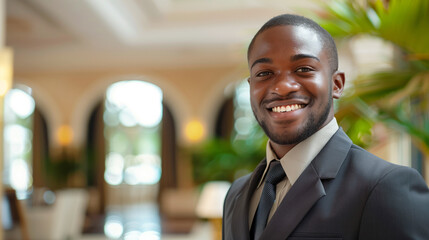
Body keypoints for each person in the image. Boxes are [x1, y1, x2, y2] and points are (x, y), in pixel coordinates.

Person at [222, 14, 429, 240]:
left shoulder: (385, 188)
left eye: (303, 69)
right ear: (251, 86)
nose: (281, 88)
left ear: (336, 84)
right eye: (264, 73)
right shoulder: (236, 194)